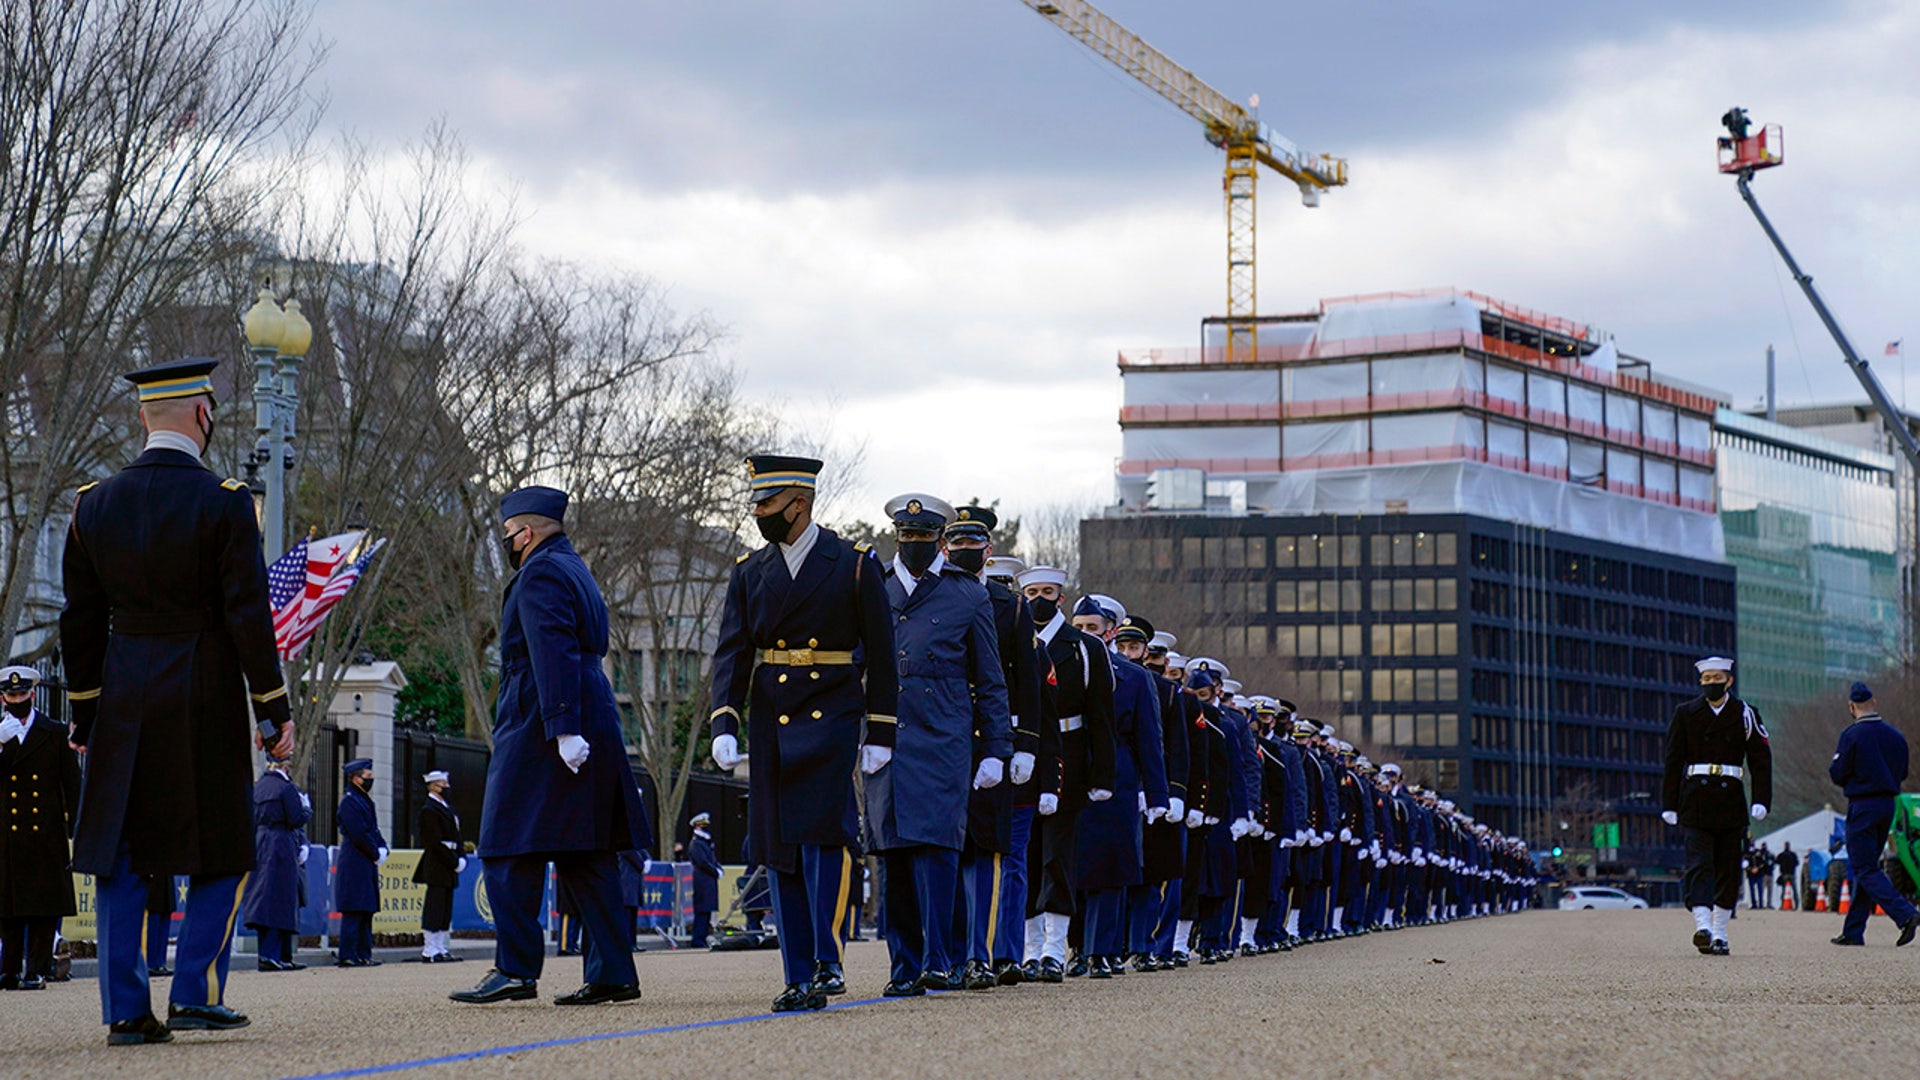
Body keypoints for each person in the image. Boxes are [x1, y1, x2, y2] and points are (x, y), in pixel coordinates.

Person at [60, 356, 295, 1045]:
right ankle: (195, 991)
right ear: (202, 414)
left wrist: (84, 713)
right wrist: (272, 710)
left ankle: (128, 1012)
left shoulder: (92, 504)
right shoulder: (225, 500)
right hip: (204, 691)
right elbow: (248, 616)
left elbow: (80, 622)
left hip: (125, 692)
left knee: (126, 853)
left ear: (143, 418)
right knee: (222, 847)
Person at [707, 455, 896, 1011]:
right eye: (757, 505)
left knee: (827, 836)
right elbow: (732, 651)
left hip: (832, 708)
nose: (759, 513)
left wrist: (881, 730)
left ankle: (826, 959)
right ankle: (798, 974)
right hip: (771, 714)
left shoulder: (854, 564)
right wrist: (725, 719)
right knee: (779, 846)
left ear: (800, 503)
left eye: (767, 504)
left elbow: (882, 657)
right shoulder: (749, 569)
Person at [453, 486, 650, 1007]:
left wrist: (562, 726)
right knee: (586, 853)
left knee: (503, 843)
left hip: (543, 715)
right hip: (588, 709)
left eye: (509, 534)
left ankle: (515, 968)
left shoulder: (540, 572)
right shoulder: (575, 568)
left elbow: (551, 648)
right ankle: (612, 971)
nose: (506, 543)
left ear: (527, 531)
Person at [864, 493, 1011, 997]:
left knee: (939, 849)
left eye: (924, 537)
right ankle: (903, 965)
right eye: (906, 537)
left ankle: (940, 959)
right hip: (886, 732)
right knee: (894, 851)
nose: (914, 545)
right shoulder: (873, 586)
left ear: (938, 540)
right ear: (896, 538)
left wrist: (996, 746)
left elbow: (990, 679)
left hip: (944, 731)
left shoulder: (967, 594)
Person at [944, 506, 1043, 990]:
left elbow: (1027, 680)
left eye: (972, 545)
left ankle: (983, 954)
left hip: (991, 738)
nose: (964, 552)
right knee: (944, 849)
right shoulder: (934, 594)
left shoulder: (1011, 605)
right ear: (946, 548)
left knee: (987, 851)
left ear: (988, 550)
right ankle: (949, 953)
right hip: (942, 736)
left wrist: (1024, 746)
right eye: (956, 544)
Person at [1015, 565, 1115, 983]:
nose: (1040, 598)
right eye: (1033, 591)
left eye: (1048, 591)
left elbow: (1101, 717)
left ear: (1061, 596)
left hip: (1069, 757)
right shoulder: (1014, 637)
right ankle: (1029, 947)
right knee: (1027, 852)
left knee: (1058, 854)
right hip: (1024, 753)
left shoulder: (1084, 648)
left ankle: (1055, 948)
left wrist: (1102, 776)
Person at [1661, 656, 1772, 956]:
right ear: (1700, 682)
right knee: (1699, 864)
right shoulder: (1685, 713)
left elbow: (1760, 760)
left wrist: (1762, 799)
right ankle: (1703, 926)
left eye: (1717, 678)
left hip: (1730, 798)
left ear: (1729, 681)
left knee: (1728, 869)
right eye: (1707, 679)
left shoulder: (1746, 713)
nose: (1712, 684)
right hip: (1695, 799)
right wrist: (1669, 803)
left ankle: (1721, 931)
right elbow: (1673, 761)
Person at [0, 666, 81, 990]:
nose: (16, 700)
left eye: (21, 695)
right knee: (8, 906)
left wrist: (77, 830)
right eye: (11, 695)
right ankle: (8, 969)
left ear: (33, 695)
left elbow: (72, 785)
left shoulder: (55, 732)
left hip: (46, 831)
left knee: (44, 905)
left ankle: (37, 967)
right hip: (7, 832)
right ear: (2, 697)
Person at [1827, 681, 1920, 947]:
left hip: (1862, 805)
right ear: (1874, 702)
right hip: (1887, 804)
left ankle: (1905, 914)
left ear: (1851, 706)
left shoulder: (1851, 736)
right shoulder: (1896, 736)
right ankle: (1853, 931)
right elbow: (1902, 772)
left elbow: (1837, 773)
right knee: (1868, 865)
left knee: (1863, 867)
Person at [241, 751, 311, 971]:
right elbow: (296, 818)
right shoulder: (286, 788)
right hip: (281, 844)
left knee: (266, 898)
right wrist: (306, 808)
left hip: (260, 843)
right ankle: (275, 955)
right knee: (281, 899)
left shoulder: (258, 786)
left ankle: (273, 954)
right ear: (286, 766)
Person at [334, 759, 387, 967]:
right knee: (354, 908)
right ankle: (348, 953)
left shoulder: (364, 800)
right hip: (355, 859)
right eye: (367, 778)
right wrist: (375, 853)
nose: (370, 781)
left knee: (366, 907)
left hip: (365, 859)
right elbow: (359, 833)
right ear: (356, 779)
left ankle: (363, 953)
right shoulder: (349, 802)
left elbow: (374, 830)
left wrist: (383, 848)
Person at [413, 770, 465, 963]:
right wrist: (453, 860)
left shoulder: (447, 808)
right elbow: (433, 842)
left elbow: (456, 834)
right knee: (434, 906)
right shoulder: (429, 810)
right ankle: (429, 949)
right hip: (438, 862)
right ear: (433, 786)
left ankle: (440, 946)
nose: (446, 788)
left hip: (449, 861)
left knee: (445, 907)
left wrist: (461, 855)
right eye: (443, 785)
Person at [688, 812, 721, 948]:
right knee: (702, 910)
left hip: (708, 881)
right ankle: (698, 939)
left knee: (707, 910)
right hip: (702, 881)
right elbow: (702, 862)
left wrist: (718, 868)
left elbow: (712, 860)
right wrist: (715, 871)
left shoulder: (705, 843)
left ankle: (703, 937)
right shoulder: (696, 844)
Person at [1776, 843, 1800, 910]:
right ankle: (1796, 905)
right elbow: (1797, 863)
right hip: (1792, 874)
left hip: (1784, 874)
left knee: (1784, 891)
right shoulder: (1793, 854)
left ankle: (1782, 905)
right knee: (1794, 890)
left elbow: (1777, 862)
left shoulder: (1781, 854)